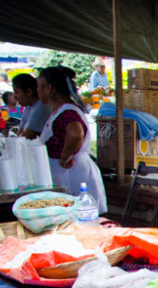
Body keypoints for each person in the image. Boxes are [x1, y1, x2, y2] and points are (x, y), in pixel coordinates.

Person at [37, 66, 107, 214]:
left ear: (48, 88)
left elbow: (76, 133)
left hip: (72, 174)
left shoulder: (67, 111)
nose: (37, 90)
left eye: (39, 86)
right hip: (68, 174)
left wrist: (64, 157)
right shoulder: (60, 110)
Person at [12, 73, 51, 139]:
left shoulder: (42, 106)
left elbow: (26, 137)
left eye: (16, 92)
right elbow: (21, 131)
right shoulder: (29, 106)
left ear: (29, 92)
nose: (14, 97)